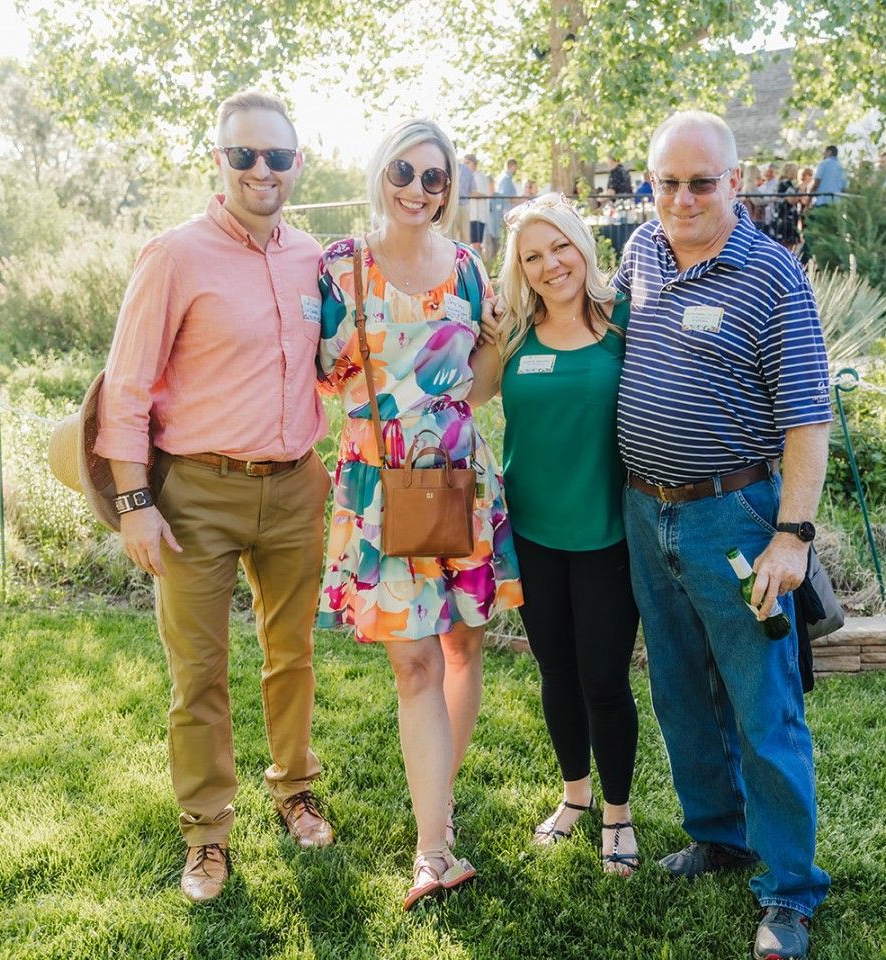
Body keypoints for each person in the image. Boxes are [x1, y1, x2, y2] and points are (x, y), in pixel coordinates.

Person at [94, 90, 334, 903]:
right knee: (197, 671)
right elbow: (125, 387)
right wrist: (134, 501)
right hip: (194, 492)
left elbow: (336, 361)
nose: (260, 170)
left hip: (297, 487)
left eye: (276, 156)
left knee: (291, 654)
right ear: (219, 162)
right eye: (244, 156)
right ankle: (206, 833)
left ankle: (294, 785)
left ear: (297, 163)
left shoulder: (314, 259)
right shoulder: (174, 255)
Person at [617, 110, 832, 960]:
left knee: (761, 705)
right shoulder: (640, 251)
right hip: (644, 511)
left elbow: (808, 423)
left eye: (699, 181)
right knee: (676, 688)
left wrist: (793, 536)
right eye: (664, 181)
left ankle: (789, 891)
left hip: (736, 518)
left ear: (734, 182)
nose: (680, 198)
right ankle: (719, 834)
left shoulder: (772, 276)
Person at [316, 118, 523, 909]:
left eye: (434, 178)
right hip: (378, 485)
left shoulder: (469, 268)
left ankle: (436, 794)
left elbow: (476, 385)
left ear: (448, 190)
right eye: (404, 171)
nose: (416, 189)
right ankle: (433, 851)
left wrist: (497, 344)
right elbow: (318, 373)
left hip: (457, 478)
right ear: (380, 172)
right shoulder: (343, 268)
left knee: (465, 646)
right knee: (415, 663)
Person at [468, 193, 642, 876]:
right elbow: (471, 395)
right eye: (532, 257)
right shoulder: (514, 333)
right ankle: (574, 796)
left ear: (581, 245)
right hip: (533, 533)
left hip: (606, 532)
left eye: (559, 247)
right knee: (556, 671)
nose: (549, 265)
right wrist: (484, 328)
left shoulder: (626, 323)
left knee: (603, 677)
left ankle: (619, 813)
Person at [487, 158, 520, 264]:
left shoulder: (504, 178)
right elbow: (506, 198)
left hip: (503, 215)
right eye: (516, 167)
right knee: (503, 244)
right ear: (512, 166)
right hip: (505, 215)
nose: (516, 170)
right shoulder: (506, 179)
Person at [465, 153, 491, 255]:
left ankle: (477, 266)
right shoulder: (478, 176)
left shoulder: (477, 177)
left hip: (476, 216)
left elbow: (480, 193)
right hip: (476, 216)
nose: (465, 165)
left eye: (468, 162)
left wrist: (465, 192)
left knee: (476, 244)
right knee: (476, 243)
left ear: (474, 163)